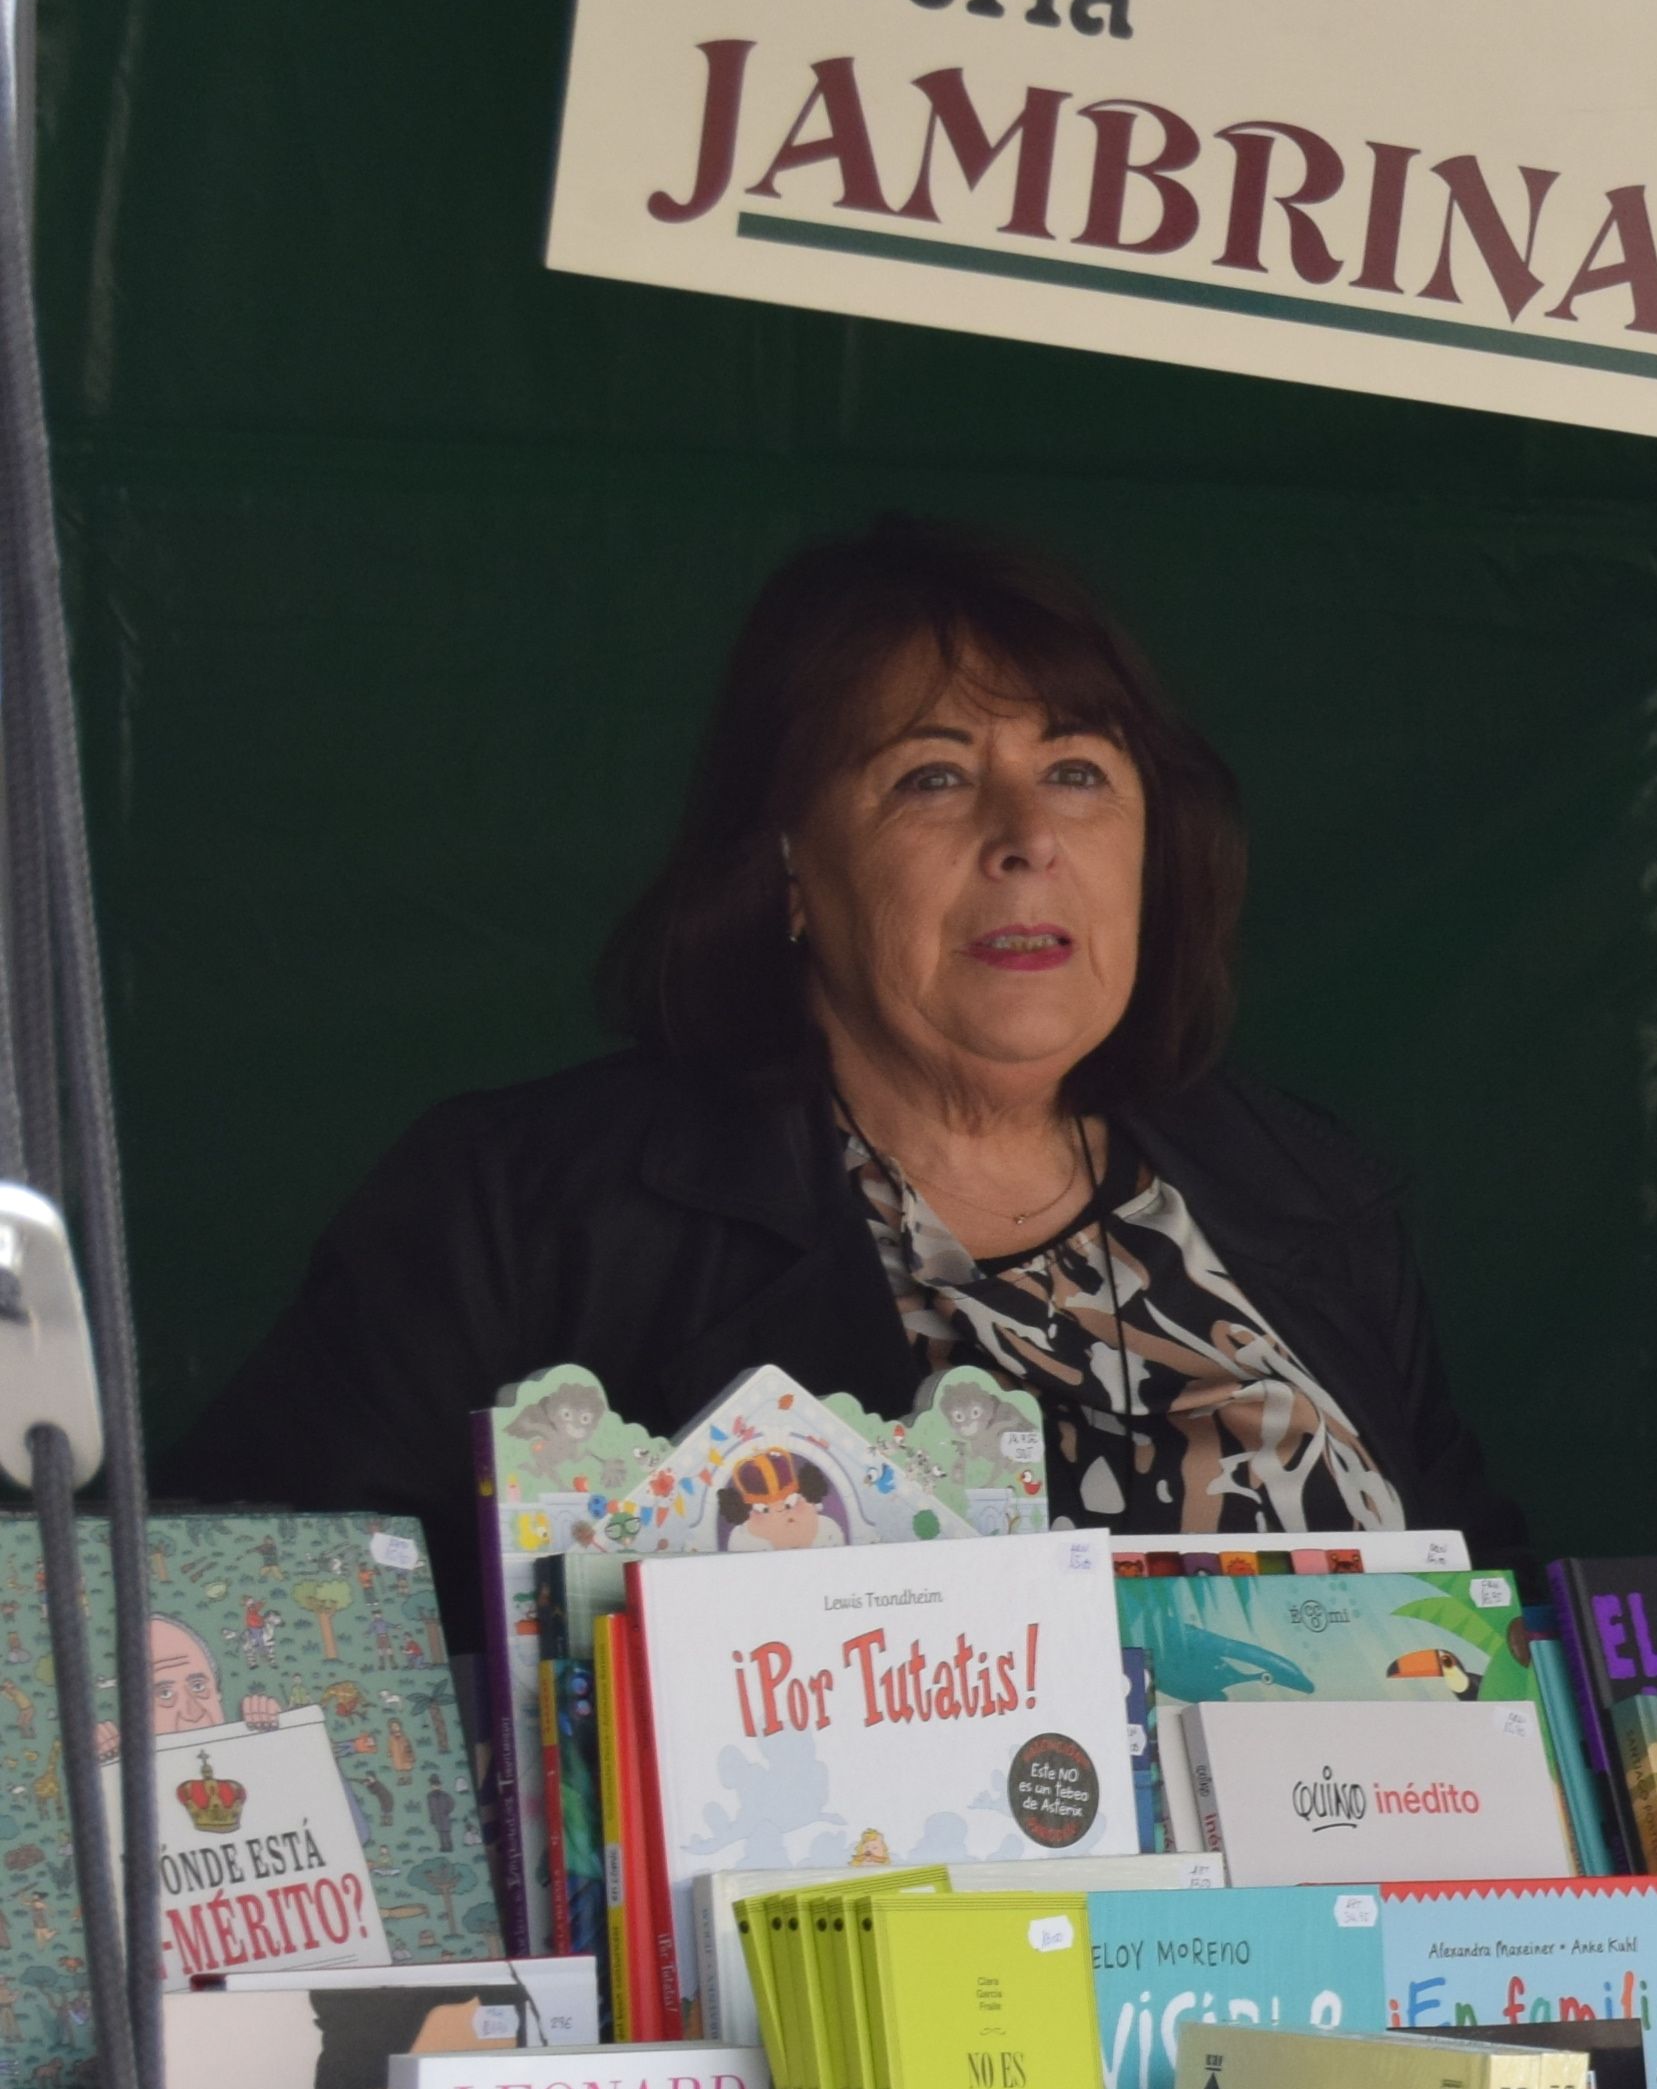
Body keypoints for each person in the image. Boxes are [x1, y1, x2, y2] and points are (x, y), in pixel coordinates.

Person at [169, 517, 1525, 1564]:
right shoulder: (520, 1212)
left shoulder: (1314, 1197)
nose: (1027, 837)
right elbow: (266, 1636)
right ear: (790, 869)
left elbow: (1496, 1639)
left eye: (1078, 773)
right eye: (933, 777)